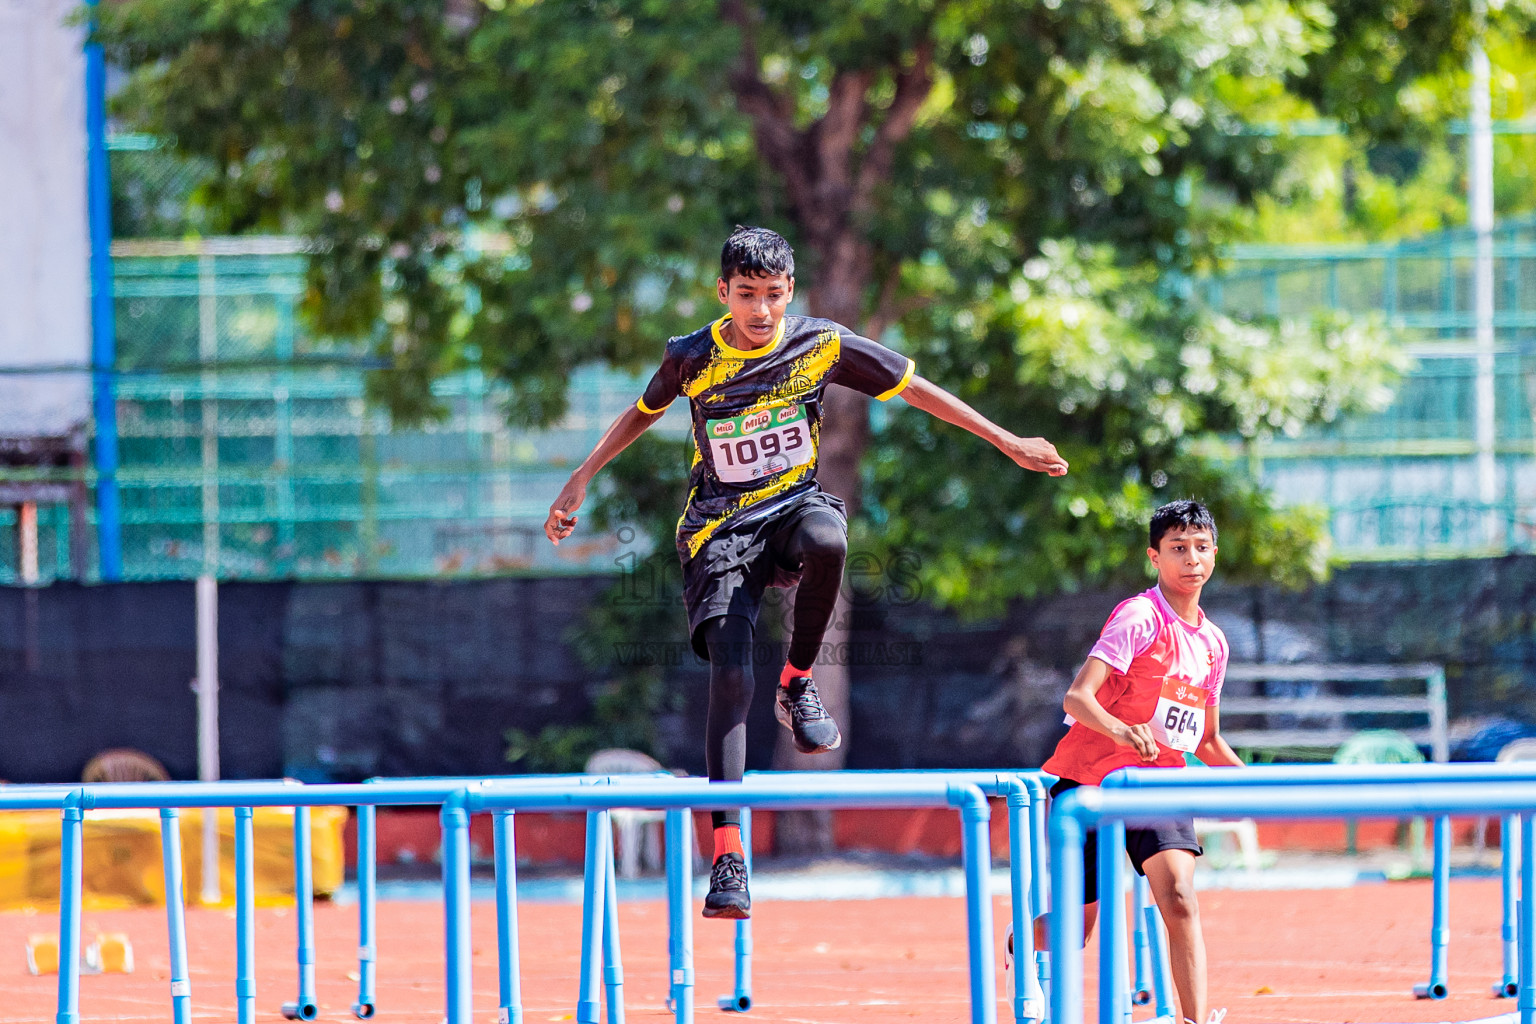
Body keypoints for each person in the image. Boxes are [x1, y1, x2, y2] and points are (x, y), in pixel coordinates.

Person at [545, 225, 1068, 919]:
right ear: (722, 293)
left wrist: (1006, 440)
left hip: (792, 508)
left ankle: (798, 684)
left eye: (772, 295)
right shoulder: (692, 356)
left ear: (790, 291)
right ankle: (729, 855)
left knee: (830, 538)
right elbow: (641, 413)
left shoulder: (820, 343)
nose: (759, 311)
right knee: (729, 672)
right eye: (745, 296)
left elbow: (915, 388)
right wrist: (581, 477)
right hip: (718, 532)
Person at [1032, 499, 1241, 1024]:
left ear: (1215, 553)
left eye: (1200, 548)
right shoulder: (1140, 616)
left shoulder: (1214, 644)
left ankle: (1192, 1021)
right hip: (1089, 786)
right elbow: (1078, 699)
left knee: (1180, 899)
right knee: (1076, 928)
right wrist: (1122, 729)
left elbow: (1208, 740)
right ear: (1155, 557)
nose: (1190, 559)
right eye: (1177, 549)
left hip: (1160, 788)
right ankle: (1020, 944)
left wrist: (1249, 786)